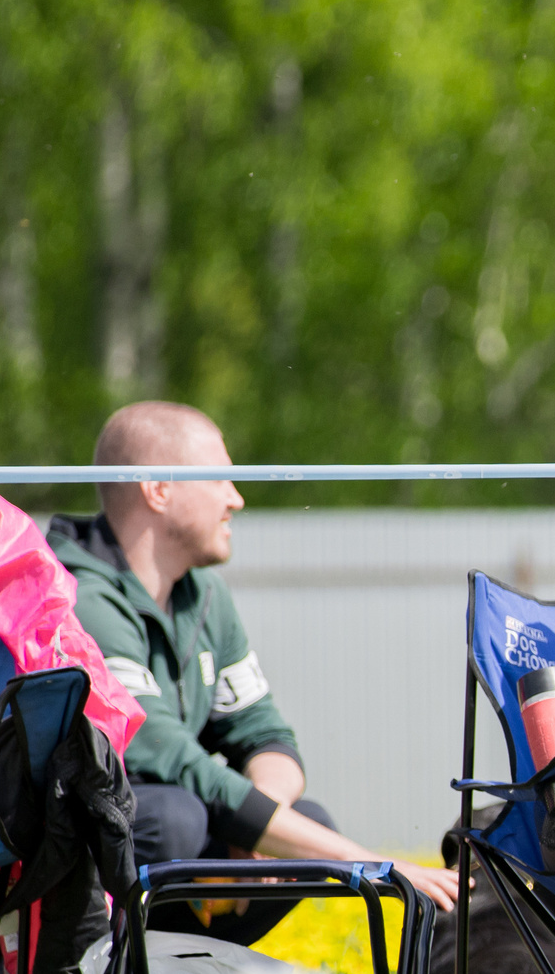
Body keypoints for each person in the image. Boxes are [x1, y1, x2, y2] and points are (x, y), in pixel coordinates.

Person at [48, 402, 460, 943]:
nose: (236, 498)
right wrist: (371, 865)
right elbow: (170, 758)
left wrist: (262, 826)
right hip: (49, 864)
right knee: (175, 819)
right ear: (159, 489)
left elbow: (263, 732)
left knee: (304, 820)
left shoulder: (205, 596)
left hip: (168, 819)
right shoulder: (82, 600)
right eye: (219, 476)